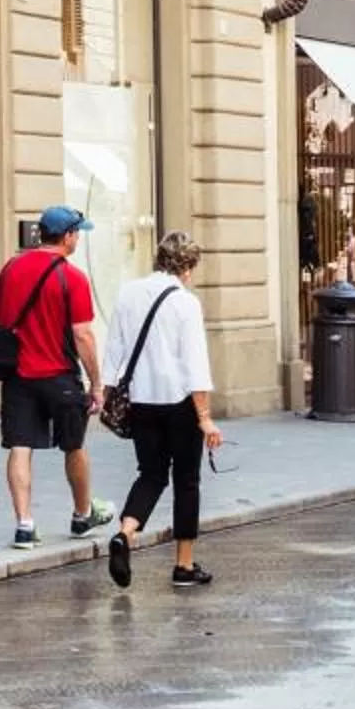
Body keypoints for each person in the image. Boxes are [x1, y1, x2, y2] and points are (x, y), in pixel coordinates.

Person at [99, 231, 225, 589]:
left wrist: (104, 393)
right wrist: (205, 418)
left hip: (140, 401)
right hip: (180, 403)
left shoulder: (128, 293)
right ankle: (184, 566)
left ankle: (125, 533)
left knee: (151, 474)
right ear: (186, 267)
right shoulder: (186, 302)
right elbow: (195, 364)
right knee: (186, 481)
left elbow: (115, 351)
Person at [0, 205, 107, 548]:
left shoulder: (11, 267)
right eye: (78, 234)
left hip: (19, 375)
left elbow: (0, 320)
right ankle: (82, 515)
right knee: (74, 446)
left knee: (20, 447)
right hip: (60, 376)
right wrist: (97, 382)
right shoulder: (72, 277)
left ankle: (24, 525)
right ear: (69, 236)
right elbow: (83, 335)